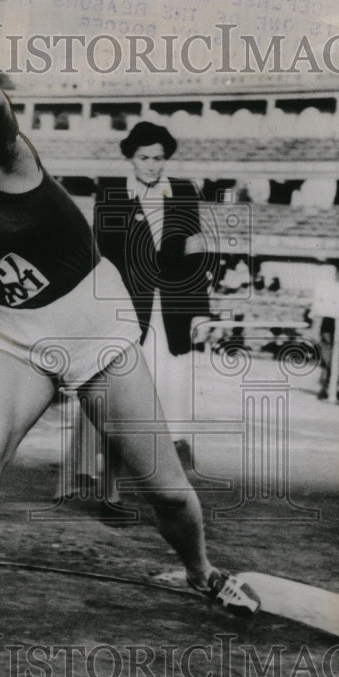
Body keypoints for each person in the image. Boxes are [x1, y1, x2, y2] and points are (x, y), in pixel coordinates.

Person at [0, 69, 259, 645]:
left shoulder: (0, 159)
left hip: (94, 325)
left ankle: (203, 572)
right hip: (18, 339)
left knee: (164, 488)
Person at [92, 121, 213, 477]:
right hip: (128, 307)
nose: (151, 165)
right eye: (144, 157)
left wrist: (200, 314)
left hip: (172, 307)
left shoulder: (184, 192)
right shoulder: (112, 192)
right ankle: (114, 466)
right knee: (126, 384)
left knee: (174, 382)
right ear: (131, 157)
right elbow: (105, 257)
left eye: (158, 158)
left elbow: (194, 256)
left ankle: (175, 459)